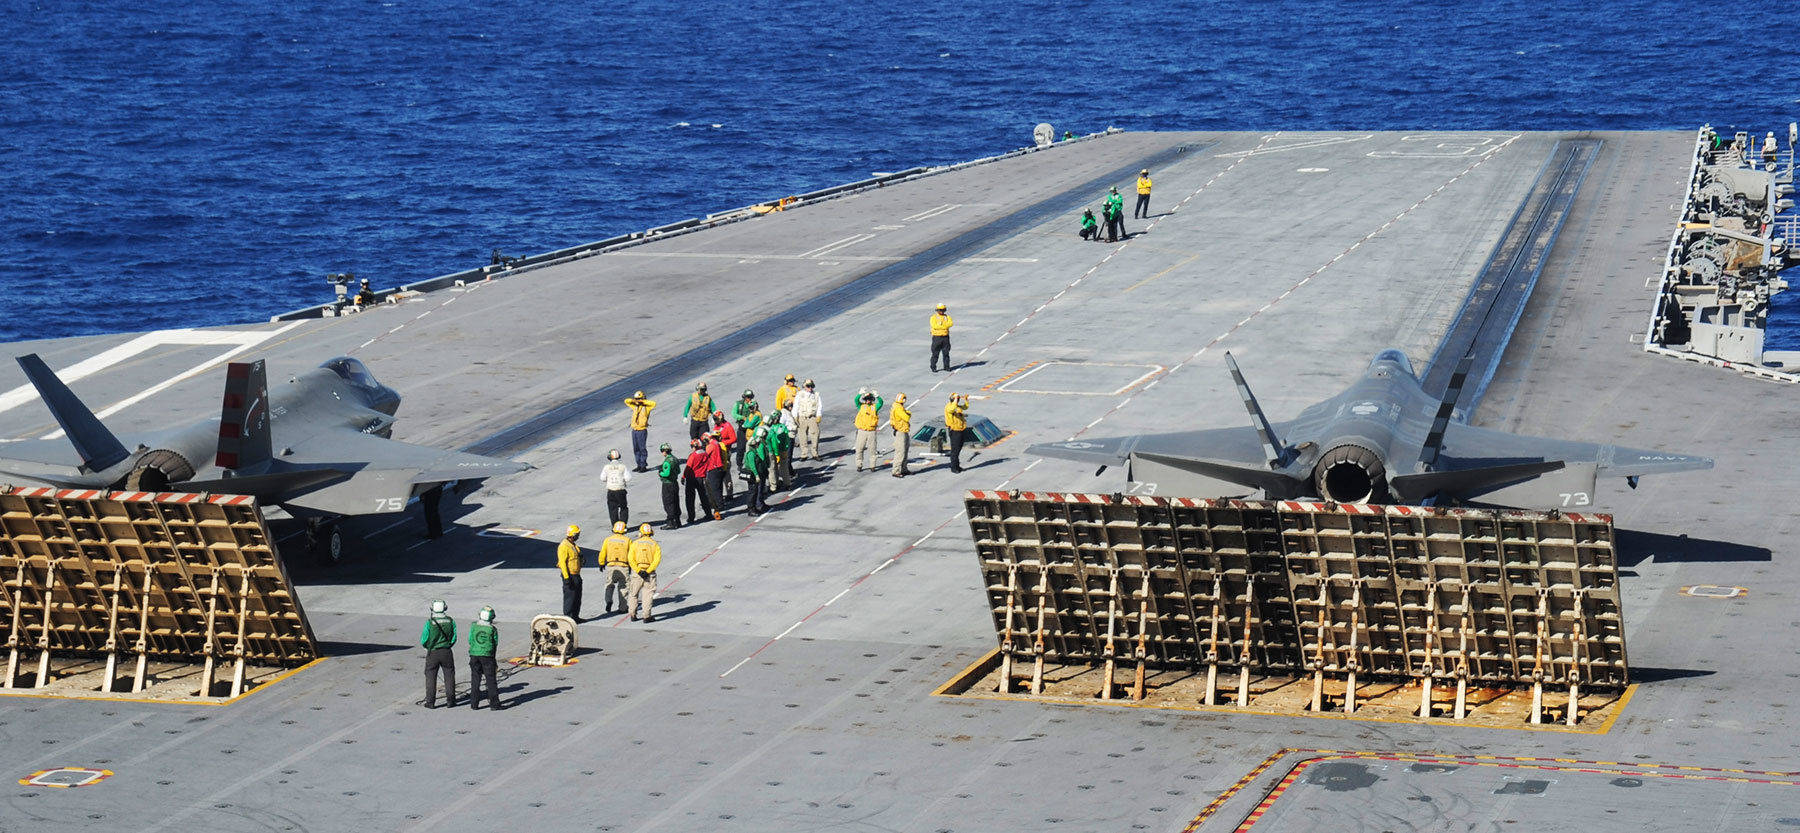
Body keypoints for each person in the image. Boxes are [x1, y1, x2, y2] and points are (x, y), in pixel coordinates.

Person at [420, 599, 457, 708]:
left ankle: (430, 702)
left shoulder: (430, 622)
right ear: (445, 608)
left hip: (433, 652)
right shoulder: (450, 621)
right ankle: (451, 701)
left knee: (430, 676)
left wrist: (428, 647)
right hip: (446, 651)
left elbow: (424, 639)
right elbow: (454, 637)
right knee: (449, 676)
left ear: (432, 609)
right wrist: (448, 644)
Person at [467, 605, 501, 710]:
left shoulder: (474, 626)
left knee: (475, 680)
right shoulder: (492, 629)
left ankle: (474, 704)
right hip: (487, 656)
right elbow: (495, 643)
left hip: (474, 655)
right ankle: (494, 704)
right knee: (491, 680)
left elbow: (470, 640)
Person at [626, 524, 662, 622]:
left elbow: (630, 559)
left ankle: (632, 615)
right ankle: (647, 616)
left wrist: (638, 570)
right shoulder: (655, 544)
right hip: (649, 573)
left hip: (637, 573)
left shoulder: (635, 543)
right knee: (648, 595)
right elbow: (657, 560)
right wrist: (648, 571)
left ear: (640, 533)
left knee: (633, 594)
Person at [600, 521, 633, 616]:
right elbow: (631, 555)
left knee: (609, 585)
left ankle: (608, 601)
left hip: (611, 566)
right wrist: (631, 566)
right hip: (623, 566)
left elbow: (603, 552)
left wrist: (601, 563)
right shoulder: (627, 540)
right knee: (623, 587)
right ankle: (622, 608)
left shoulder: (608, 540)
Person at [852, 389, 884, 471]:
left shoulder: (875, 407)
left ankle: (872, 466)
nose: (868, 401)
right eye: (866, 399)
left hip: (871, 431)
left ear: (872, 399)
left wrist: (878, 396)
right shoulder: (861, 406)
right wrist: (860, 394)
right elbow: (856, 400)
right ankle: (859, 465)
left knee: (872, 449)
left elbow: (881, 403)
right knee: (859, 448)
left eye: (869, 399)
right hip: (862, 431)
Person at [625, 391, 657, 472]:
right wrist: (635, 401)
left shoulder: (647, 407)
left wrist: (642, 401)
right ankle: (638, 464)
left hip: (642, 430)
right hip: (634, 430)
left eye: (639, 399)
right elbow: (626, 401)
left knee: (642, 448)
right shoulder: (635, 406)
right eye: (637, 399)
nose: (638, 400)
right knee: (636, 449)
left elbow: (654, 403)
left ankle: (643, 465)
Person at [683, 439, 713, 523]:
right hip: (701, 478)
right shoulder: (705, 454)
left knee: (690, 499)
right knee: (703, 497)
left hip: (691, 478)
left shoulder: (693, 455)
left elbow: (688, 467)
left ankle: (691, 517)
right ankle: (708, 514)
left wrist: (683, 477)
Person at [557, 525, 583, 620]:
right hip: (570, 575)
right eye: (577, 534)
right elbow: (562, 563)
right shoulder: (564, 546)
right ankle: (568, 619)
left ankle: (575, 617)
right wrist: (567, 577)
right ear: (573, 535)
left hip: (576, 574)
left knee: (577, 597)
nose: (578, 536)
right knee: (570, 598)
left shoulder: (573, 545)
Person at [743, 425, 771, 515]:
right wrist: (757, 475)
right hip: (754, 473)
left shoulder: (753, 451)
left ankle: (755, 506)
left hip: (757, 472)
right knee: (753, 491)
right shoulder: (751, 453)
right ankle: (752, 508)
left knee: (755, 491)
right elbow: (753, 465)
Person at [793, 379, 823, 460]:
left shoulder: (816, 395)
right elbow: (796, 406)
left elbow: (819, 406)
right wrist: (795, 416)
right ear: (804, 387)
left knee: (815, 435)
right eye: (808, 386)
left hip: (812, 417)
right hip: (802, 417)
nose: (810, 388)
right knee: (802, 436)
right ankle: (804, 454)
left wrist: (819, 415)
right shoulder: (799, 394)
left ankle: (815, 454)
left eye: (811, 386)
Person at [711, 412, 738, 500]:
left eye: (716, 419)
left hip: (726, 451)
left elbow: (734, 439)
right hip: (717, 451)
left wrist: (723, 443)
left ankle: (729, 493)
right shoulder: (716, 426)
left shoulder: (728, 426)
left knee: (726, 474)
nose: (714, 421)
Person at [732, 390, 758, 475]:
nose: (749, 399)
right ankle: (739, 464)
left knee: (752, 447)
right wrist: (742, 417)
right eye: (747, 397)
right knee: (740, 448)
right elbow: (734, 414)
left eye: (750, 397)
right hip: (742, 428)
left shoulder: (754, 404)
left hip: (751, 429)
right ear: (744, 397)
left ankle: (751, 463)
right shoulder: (739, 404)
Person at [702, 431, 727, 519]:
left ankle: (718, 506)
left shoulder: (711, 445)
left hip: (714, 468)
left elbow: (704, 456)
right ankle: (720, 503)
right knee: (718, 487)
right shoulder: (716, 443)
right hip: (720, 467)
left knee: (713, 489)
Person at [601, 449, 630, 525]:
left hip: (611, 490)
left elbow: (602, 478)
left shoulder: (606, 467)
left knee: (612, 509)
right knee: (623, 508)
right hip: (620, 490)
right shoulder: (622, 466)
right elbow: (628, 478)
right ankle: (623, 525)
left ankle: (615, 526)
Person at [657, 443, 681, 529]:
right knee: (675, 501)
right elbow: (678, 471)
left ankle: (671, 522)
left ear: (664, 451)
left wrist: (660, 473)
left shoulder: (667, 462)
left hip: (668, 484)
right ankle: (678, 521)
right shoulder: (675, 459)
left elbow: (666, 473)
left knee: (668, 503)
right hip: (674, 483)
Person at [766, 410, 793, 490]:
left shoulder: (769, 428)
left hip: (771, 451)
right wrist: (785, 449)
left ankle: (774, 486)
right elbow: (787, 440)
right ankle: (787, 484)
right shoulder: (783, 427)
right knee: (784, 467)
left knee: (772, 468)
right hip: (781, 450)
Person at [945, 393, 970, 473]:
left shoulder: (956, 406)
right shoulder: (949, 407)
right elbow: (952, 409)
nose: (958, 400)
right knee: (955, 450)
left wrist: (966, 400)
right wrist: (955, 399)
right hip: (955, 431)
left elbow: (965, 407)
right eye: (957, 399)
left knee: (958, 449)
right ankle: (954, 468)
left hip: (960, 430)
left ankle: (957, 465)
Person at [888, 393, 912, 477]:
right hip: (901, 432)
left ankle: (904, 469)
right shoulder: (898, 408)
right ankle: (896, 471)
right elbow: (906, 418)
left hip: (903, 430)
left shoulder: (898, 406)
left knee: (904, 451)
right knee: (900, 452)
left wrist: (906, 412)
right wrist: (908, 413)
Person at [929, 303, 954, 372]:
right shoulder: (933, 317)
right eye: (940, 310)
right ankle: (933, 367)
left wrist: (941, 326)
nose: (942, 311)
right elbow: (934, 326)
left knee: (946, 353)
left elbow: (951, 323)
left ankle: (947, 367)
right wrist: (944, 326)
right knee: (935, 353)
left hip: (945, 337)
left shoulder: (947, 317)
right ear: (937, 310)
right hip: (937, 338)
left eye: (943, 310)